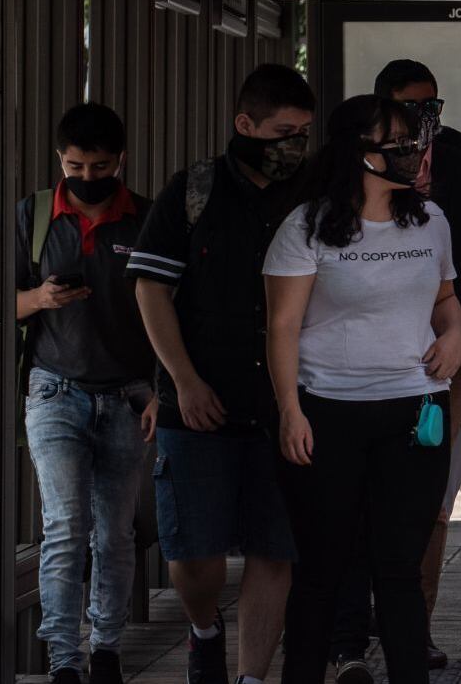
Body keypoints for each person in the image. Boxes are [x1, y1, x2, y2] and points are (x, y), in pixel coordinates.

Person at [322, 59, 461, 677]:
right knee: (357, 503)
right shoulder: (340, 181)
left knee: (424, 505)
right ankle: (348, 639)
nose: (423, 125)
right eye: (410, 113)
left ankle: (411, 634)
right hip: (356, 373)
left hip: (442, 369)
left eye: (432, 109)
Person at [263, 95, 461, 684]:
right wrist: (290, 410)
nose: (411, 154)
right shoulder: (304, 227)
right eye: (396, 144)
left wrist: (454, 334)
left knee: (399, 570)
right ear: (358, 152)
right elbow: (281, 327)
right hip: (326, 415)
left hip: (413, 413)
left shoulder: (432, 221)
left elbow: (446, 300)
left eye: (412, 141)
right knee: (322, 569)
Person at [129, 64, 315, 684]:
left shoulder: (313, 197)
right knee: (194, 551)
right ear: (245, 124)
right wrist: (181, 380)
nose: (296, 146)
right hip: (199, 404)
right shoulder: (193, 191)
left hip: (286, 407)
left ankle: (252, 677)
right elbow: (151, 291)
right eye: (284, 132)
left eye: (305, 133)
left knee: (275, 547)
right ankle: (204, 627)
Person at [18, 103, 157, 684]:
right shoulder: (33, 217)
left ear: (120, 160)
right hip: (55, 390)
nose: (88, 177)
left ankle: (105, 645)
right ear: (60, 159)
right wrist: (38, 301)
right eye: (76, 165)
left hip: (129, 394)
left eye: (101, 166)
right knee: (65, 526)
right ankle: (64, 660)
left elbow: (171, 312)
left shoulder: (146, 219)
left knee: (115, 530)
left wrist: (161, 388)